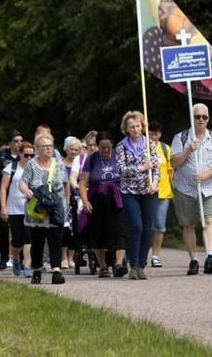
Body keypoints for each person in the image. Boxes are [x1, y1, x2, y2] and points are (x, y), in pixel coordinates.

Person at [170, 103, 212, 275]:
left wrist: (206, 175)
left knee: (209, 221)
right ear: (192, 118)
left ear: (208, 119)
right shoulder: (181, 137)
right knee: (188, 225)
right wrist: (188, 150)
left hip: (209, 188)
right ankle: (193, 259)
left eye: (204, 117)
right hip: (185, 188)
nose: (201, 120)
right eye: (197, 116)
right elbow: (173, 163)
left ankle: (209, 256)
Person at [20, 134, 69, 285]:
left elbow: (66, 184)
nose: (48, 148)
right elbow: (23, 182)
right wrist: (25, 190)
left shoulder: (59, 164)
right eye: (45, 146)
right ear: (37, 149)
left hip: (55, 207)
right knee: (37, 242)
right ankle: (37, 270)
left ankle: (56, 271)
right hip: (38, 209)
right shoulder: (31, 164)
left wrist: (66, 202)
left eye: (50, 145)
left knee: (56, 239)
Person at [115, 111, 159, 280]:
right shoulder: (121, 146)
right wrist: (141, 168)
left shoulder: (149, 144)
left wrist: (154, 182)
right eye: (131, 126)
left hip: (148, 191)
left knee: (148, 228)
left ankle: (141, 265)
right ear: (126, 129)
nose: (135, 129)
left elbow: (156, 168)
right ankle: (133, 265)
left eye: (138, 126)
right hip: (130, 192)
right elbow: (121, 170)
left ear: (142, 126)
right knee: (136, 226)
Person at [79, 131, 128, 278]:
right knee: (98, 232)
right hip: (97, 199)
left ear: (112, 145)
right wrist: (85, 201)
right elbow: (82, 184)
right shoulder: (91, 160)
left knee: (120, 229)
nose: (106, 151)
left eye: (108, 147)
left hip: (117, 198)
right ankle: (103, 267)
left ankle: (119, 264)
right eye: (102, 148)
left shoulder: (119, 157)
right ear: (97, 147)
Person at [0, 130, 23, 270]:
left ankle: (19, 256)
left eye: (21, 140)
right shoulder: (1, 155)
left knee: (18, 227)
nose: (19, 143)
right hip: (2, 194)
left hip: (19, 195)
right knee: (2, 226)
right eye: (16, 141)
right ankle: (3, 256)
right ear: (9, 143)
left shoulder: (25, 155)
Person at [0, 141, 35, 278]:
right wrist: (3, 207)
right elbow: (3, 189)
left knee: (28, 238)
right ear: (20, 154)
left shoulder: (36, 168)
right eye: (26, 155)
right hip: (14, 210)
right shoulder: (11, 168)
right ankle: (15, 259)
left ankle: (27, 266)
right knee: (17, 240)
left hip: (30, 210)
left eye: (32, 155)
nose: (29, 158)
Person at [148, 122, 173, 268]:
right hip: (146, 191)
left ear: (160, 134)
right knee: (143, 224)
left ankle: (155, 255)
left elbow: (170, 170)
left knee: (159, 224)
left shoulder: (165, 148)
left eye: (156, 133)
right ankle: (139, 253)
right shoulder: (142, 148)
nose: (154, 136)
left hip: (163, 193)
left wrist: (173, 189)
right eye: (151, 133)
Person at [61, 136, 82, 269]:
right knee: (64, 230)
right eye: (71, 149)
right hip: (64, 200)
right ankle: (63, 258)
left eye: (76, 149)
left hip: (79, 200)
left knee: (76, 229)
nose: (74, 152)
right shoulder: (60, 164)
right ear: (66, 149)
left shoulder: (82, 164)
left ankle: (71, 257)